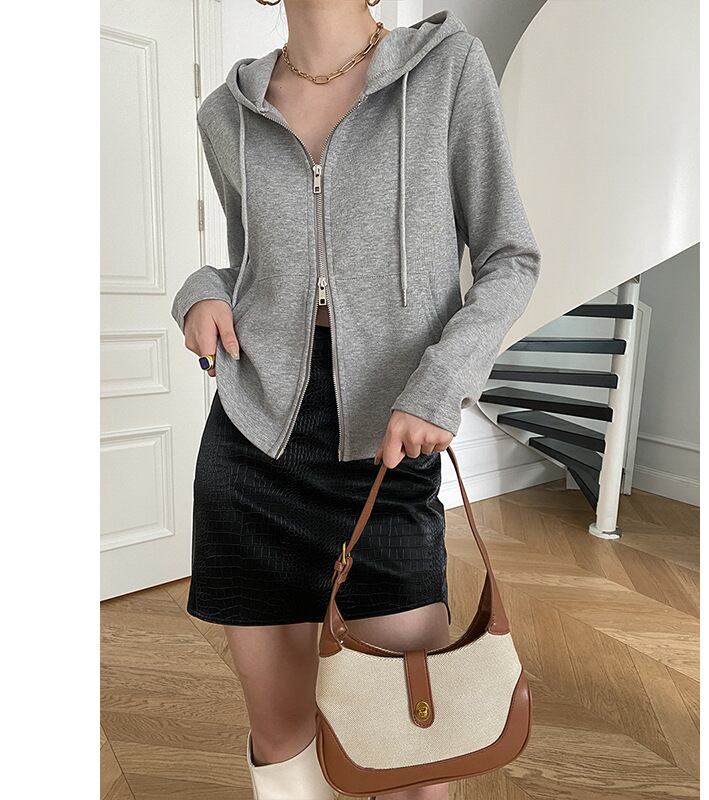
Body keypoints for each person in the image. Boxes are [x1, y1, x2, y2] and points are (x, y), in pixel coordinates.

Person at [170, 2, 541, 798]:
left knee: (413, 746)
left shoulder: (446, 70)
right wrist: (200, 291)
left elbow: (510, 257)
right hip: (253, 439)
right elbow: (253, 268)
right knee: (281, 735)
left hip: (388, 437)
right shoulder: (225, 113)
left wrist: (438, 385)